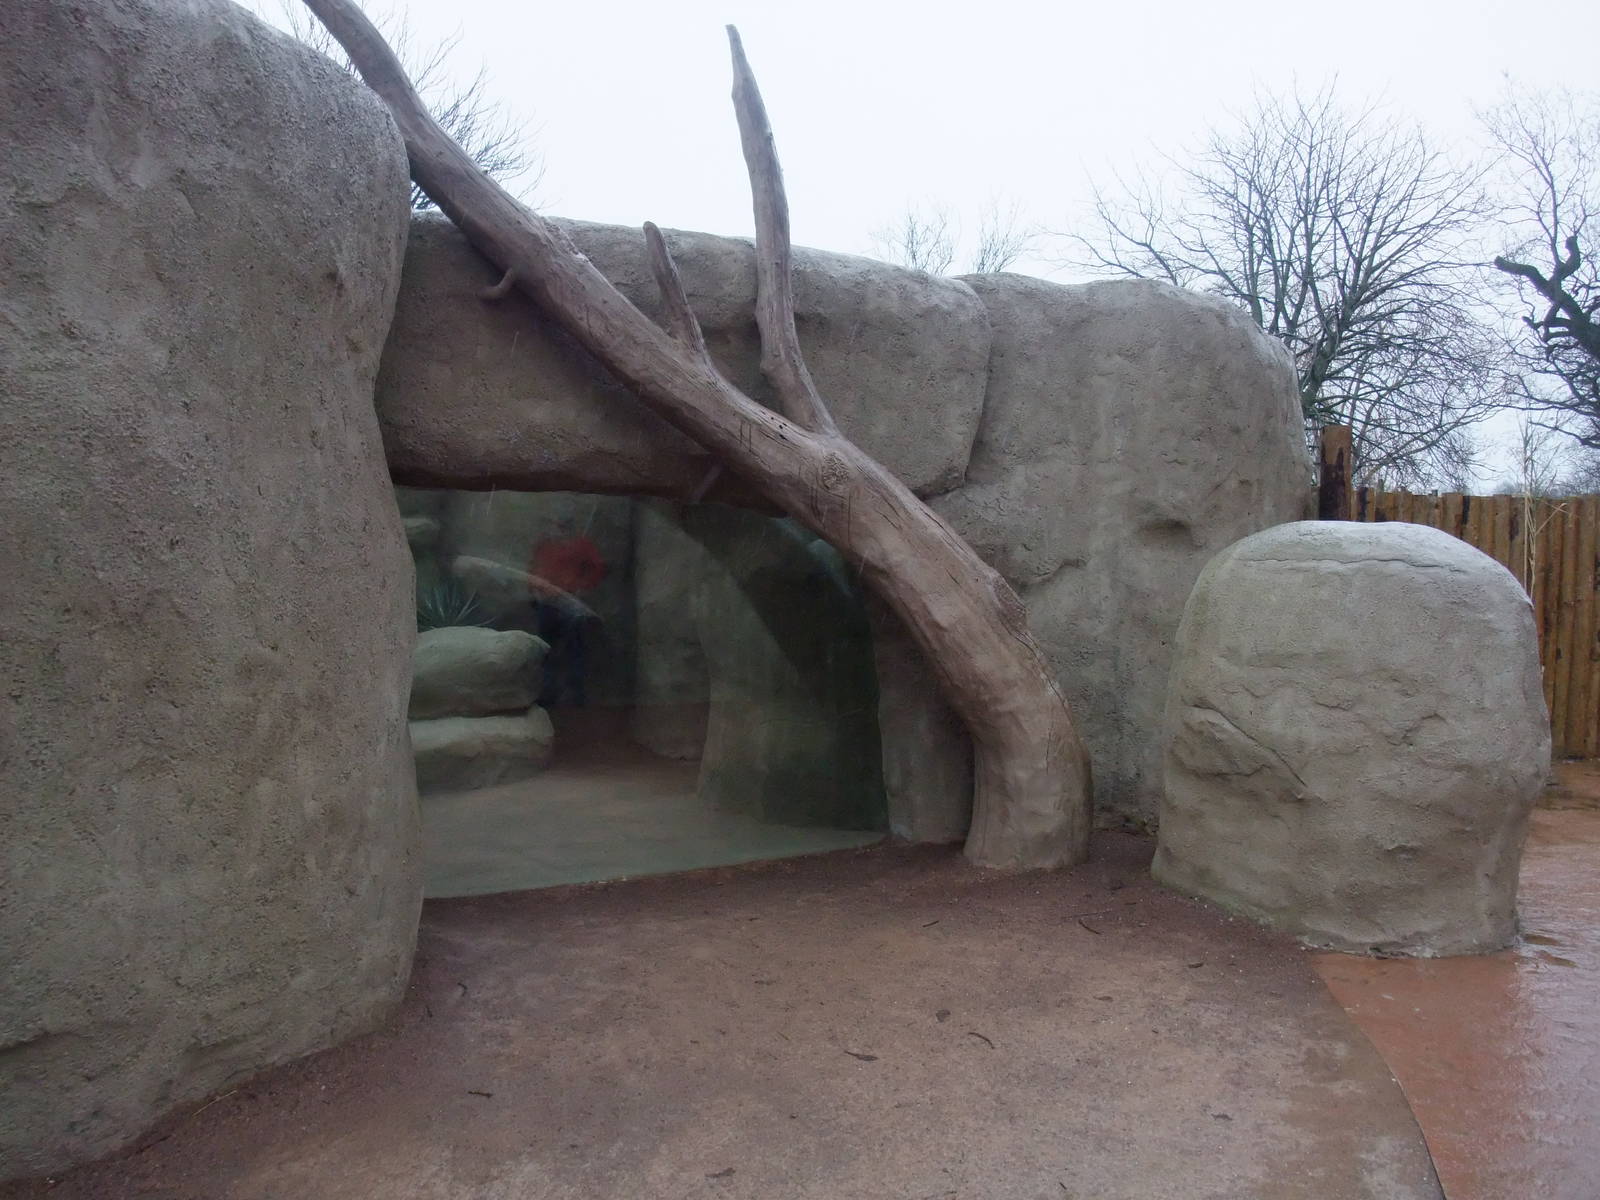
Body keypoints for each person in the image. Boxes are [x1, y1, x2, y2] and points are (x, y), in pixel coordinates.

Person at [527, 518, 606, 708]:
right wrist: (533, 591)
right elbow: (533, 570)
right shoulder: (544, 545)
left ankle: (575, 696)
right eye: (555, 526)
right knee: (546, 650)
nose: (557, 530)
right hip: (546, 604)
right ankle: (548, 695)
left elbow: (597, 568)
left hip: (571, 604)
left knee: (574, 651)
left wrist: (581, 587)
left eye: (561, 526)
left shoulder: (581, 545)